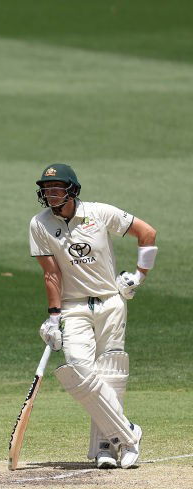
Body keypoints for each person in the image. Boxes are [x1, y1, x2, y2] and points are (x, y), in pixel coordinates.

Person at [30, 163, 157, 469]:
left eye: (57, 188)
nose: (50, 194)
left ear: (72, 190)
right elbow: (51, 274)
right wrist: (53, 317)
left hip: (111, 301)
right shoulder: (39, 224)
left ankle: (104, 446)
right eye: (46, 190)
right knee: (80, 370)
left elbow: (147, 233)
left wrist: (138, 277)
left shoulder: (99, 213)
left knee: (111, 374)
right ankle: (128, 433)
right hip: (74, 308)